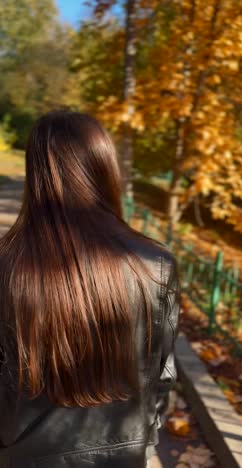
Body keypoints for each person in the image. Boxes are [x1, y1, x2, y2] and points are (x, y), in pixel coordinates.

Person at [0, 110, 180, 468]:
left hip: (27, 453)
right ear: (104, 167)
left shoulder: (8, 264)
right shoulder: (155, 262)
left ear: (38, 175)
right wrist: (145, 440)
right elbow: (163, 373)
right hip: (124, 451)